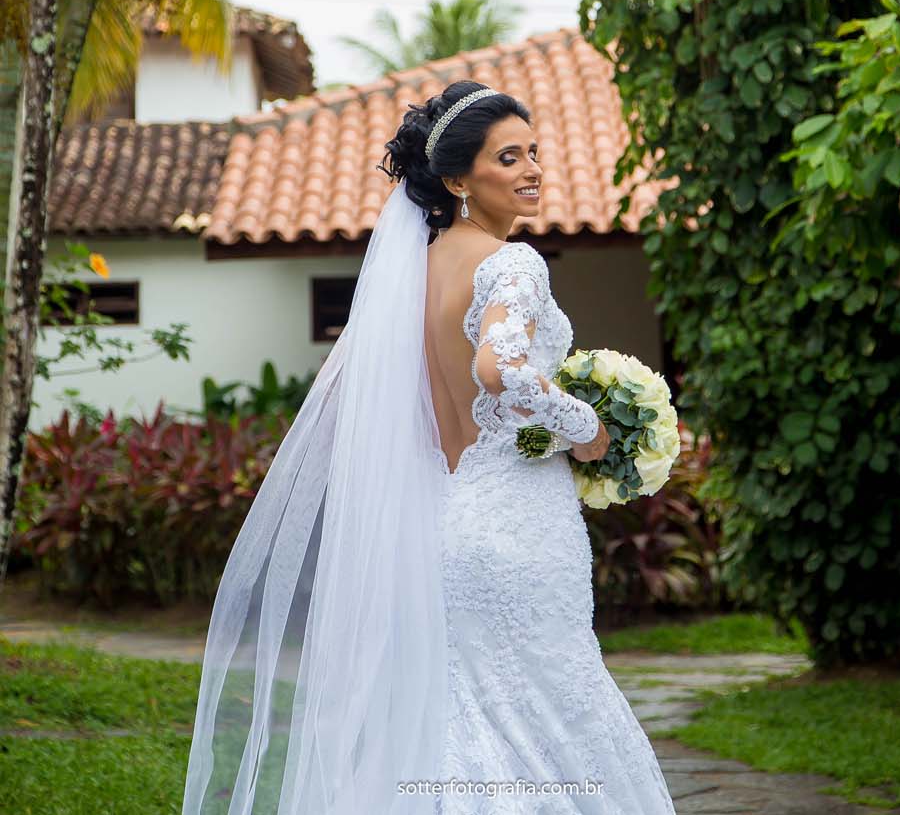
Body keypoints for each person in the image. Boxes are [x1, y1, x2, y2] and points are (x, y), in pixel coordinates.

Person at [182, 80, 676, 814]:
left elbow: (482, 421)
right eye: (509, 157)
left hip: (446, 519)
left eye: (534, 153)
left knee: (465, 711)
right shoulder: (514, 264)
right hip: (517, 529)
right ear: (456, 178)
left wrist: (552, 437)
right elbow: (500, 371)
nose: (532, 169)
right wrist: (591, 430)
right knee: (551, 709)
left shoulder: (410, 274)